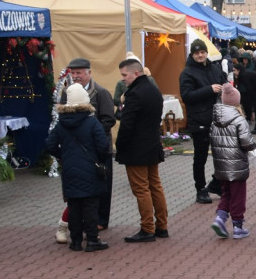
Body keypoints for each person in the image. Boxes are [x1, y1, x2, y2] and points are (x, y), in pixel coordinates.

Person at [44, 83, 110, 252]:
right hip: (90, 170)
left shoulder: (61, 123)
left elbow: (50, 144)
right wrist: (99, 159)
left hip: (70, 170)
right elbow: (103, 145)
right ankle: (93, 240)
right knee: (90, 206)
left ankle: (75, 242)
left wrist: (62, 155)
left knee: (74, 206)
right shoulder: (92, 122)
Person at [57, 58, 116, 236]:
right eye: (73, 73)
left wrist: (92, 132)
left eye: (79, 73)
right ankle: (80, 221)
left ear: (89, 73)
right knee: (79, 188)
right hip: (76, 149)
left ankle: (101, 220)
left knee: (103, 184)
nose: (76, 76)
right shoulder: (67, 93)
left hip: (98, 147)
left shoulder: (100, 92)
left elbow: (109, 119)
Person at [116, 58, 169, 243]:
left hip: (136, 148)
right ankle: (161, 226)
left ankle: (147, 228)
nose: (123, 79)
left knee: (141, 189)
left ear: (135, 73)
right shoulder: (154, 90)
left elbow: (127, 124)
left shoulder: (135, 93)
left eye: (125, 75)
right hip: (152, 145)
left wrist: (119, 146)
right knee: (155, 185)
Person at [179, 39, 224, 204]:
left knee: (221, 156)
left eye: (202, 52)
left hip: (218, 119)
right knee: (200, 157)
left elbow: (223, 81)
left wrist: (227, 87)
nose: (200, 55)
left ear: (206, 53)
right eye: (197, 53)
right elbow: (187, 96)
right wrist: (209, 89)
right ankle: (200, 189)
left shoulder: (214, 68)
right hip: (199, 120)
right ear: (192, 54)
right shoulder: (187, 73)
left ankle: (216, 185)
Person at [209, 84, 256, 240]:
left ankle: (220, 218)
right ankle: (238, 226)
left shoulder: (214, 120)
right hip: (237, 165)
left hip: (221, 165)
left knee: (226, 193)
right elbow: (247, 143)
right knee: (238, 196)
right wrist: (253, 147)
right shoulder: (239, 120)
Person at [236, 53, 256, 134]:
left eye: (234, 70)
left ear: (239, 70)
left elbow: (249, 88)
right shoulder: (245, 73)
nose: (233, 72)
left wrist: (251, 98)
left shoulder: (244, 75)